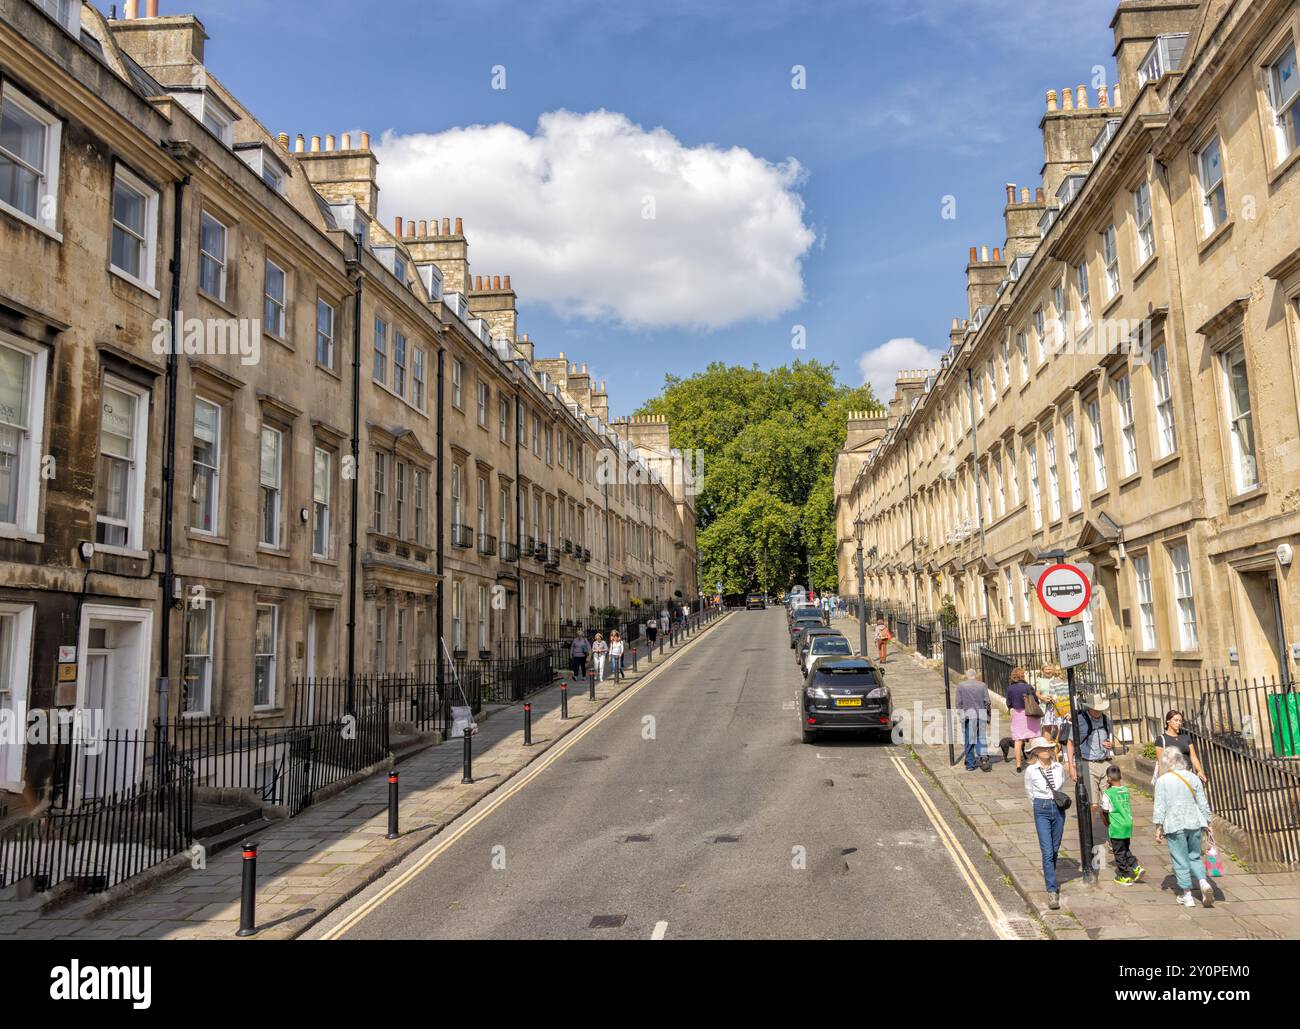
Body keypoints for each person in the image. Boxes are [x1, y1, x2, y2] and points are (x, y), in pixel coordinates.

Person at [1152, 748, 1215, 908]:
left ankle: (1187, 895)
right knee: (1194, 856)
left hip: (1174, 824)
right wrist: (1208, 821)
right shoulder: (1193, 777)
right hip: (1194, 823)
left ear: (1166, 762)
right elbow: (1202, 801)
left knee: (1180, 859)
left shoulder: (1163, 780)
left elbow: (1160, 806)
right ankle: (1203, 882)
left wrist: (1158, 827)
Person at [1023, 736, 1066, 910]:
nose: (1046, 751)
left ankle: (1050, 875)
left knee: (1055, 850)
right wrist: (1038, 807)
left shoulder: (1058, 767)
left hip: (1058, 809)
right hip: (1041, 808)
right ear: (1035, 752)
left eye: (1048, 748)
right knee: (1047, 852)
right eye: (1041, 749)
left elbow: (1060, 787)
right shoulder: (1031, 771)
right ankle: (1052, 891)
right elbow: (1029, 792)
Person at [1068, 693, 1114, 809]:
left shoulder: (1106, 720)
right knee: (1093, 805)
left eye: (1100, 709)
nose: (1098, 712)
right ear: (1089, 708)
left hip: (1105, 762)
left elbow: (1109, 740)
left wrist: (1111, 745)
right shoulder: (1080, 720)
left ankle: (1111, 827)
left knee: (1109, 803)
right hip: (1088, 763)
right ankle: (1091, 826)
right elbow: (1070, 743)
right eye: (1095, 709)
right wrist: (1071, 766)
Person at [1100, 765, 1144, 885]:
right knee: (1126, 849)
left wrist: (1105, 820)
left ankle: (1124, 876)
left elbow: (1105, 810)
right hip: (1127, 824)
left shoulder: (1108, 793)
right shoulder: (1125, 790)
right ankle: (1135, 866)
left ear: (1108, 778)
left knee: (1118, 852)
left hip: (1116, 827)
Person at [955, 668, 992, 772]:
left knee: (969, 739)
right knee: (981, 737)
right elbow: (987, 702)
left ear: (967, 675)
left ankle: (970, 764)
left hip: (968, 716)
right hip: (981, 715)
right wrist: (988, 717)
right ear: (975, 675)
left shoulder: (961, 686)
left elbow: (958, 703)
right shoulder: (982, 685)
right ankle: (983, 757)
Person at [1154, 710, 1208, 783]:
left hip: (1188, 774)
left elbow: (1193, 757)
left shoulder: (1186, 738)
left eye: (1180, 721)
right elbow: (1161, 762)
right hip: (1171, 776)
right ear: (1168, 721)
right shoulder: (1161, 739)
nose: (1178, 723)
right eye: (1176, 720)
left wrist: (1200, 771)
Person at [1005, 666, 1041, 773]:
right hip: (1030, 714)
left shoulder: (1009, 688)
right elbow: (1035, 699)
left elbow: (1008, 703)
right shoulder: (1027, 687)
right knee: (1033, 737)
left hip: (1017, 714)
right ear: (1022, 675)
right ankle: (1035, 760)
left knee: (1018, 740)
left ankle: (1018, 764)